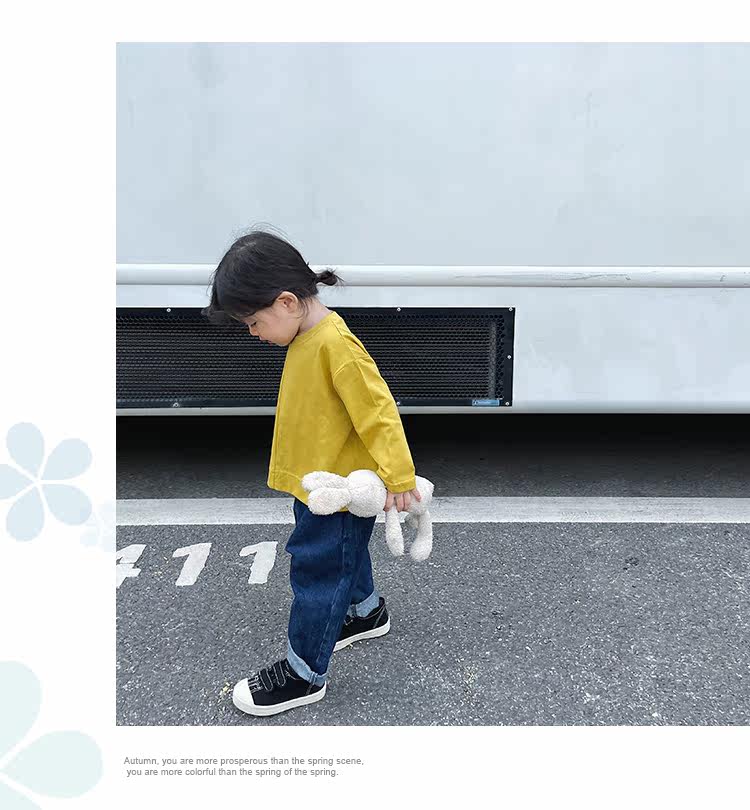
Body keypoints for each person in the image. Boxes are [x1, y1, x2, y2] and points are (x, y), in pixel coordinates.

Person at [202, 229, 421, 717]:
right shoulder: (307, 336)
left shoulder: (336, 345)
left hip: (338, 490)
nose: (252, 333)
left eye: (253, 322)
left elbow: (378, 412)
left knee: (317, 569)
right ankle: (365, 613)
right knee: (342, 555)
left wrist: (399, 477)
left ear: (286, 302)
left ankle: (303, 674)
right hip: (317, 482)